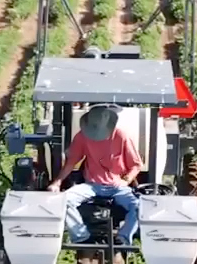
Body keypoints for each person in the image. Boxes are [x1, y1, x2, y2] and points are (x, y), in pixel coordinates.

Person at [48, 104, 143, 245]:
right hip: (91, 185)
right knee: (63, 201)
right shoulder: (83, 136)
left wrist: (126, 180)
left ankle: (123, 238)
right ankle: (81, 237)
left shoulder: (121, 136)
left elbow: (136, 164)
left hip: (118, 186)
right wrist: (57, 182)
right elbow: (71, 162)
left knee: (138, 206)